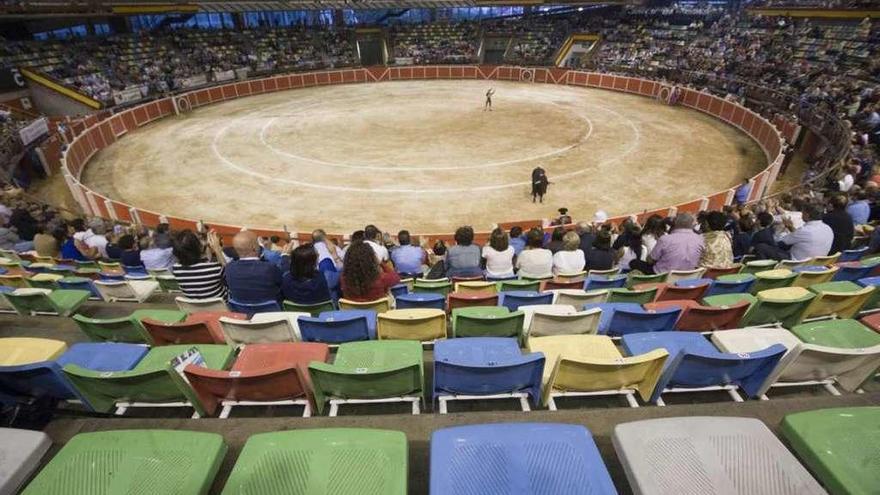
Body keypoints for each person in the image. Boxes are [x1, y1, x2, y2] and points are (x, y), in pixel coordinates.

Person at [754, 203, 834, 261]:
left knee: (761, 247)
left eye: (803, 213)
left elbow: (780, 243)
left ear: (807, 215)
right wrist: (790, 228)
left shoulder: (805, 230)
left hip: (795, 261)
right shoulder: (828, 229)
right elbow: (804, 238)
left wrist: (780, 231)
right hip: (813, 262)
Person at [631, 213, 703, 274]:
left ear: (676, 224)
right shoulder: (700, 239)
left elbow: (650, 260)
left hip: (662, 275)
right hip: (687, 275)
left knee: (634, 262)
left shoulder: (666, 239)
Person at [224, 230, 284, 304]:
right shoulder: (269, 268)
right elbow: (281, 284)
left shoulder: (229, 268)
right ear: (254, 247)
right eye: (257, 243)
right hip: (269, 312)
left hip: (240, 311)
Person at [171, 229, 227, 300]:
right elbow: (230, 278)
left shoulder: (176, 269)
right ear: (199, 248)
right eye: (200, 239)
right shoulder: (215, 268)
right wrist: (217, 250)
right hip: (221, 309)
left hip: (195, 309)